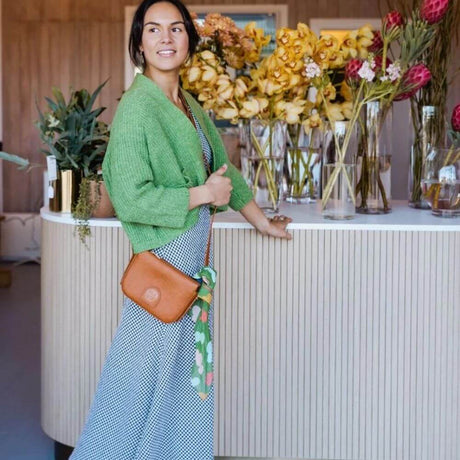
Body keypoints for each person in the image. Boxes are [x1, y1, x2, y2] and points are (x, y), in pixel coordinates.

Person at [70, 1, 291, 458]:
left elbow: (224, 170)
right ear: (139, 43)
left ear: (189, 39)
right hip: (164, 266)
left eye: (175, 29)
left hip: (190, 265)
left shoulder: (187, 103)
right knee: (135, 389)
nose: (165, 38)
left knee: (176, 387)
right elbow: (130, 196)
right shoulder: (137, 109)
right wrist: (200, 196)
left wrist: (262, 222)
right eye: (153, 29)